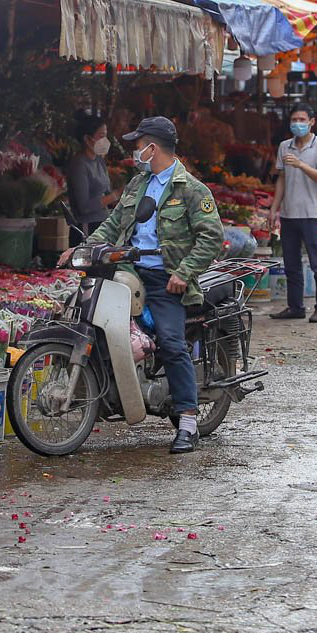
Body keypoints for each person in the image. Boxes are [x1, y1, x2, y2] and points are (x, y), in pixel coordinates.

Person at [76, 116, 223, 454]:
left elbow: (211, 237)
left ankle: (187, 422)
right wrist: (85, 249)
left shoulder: (192, 189)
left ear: (153, 147)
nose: (134, 151)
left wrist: (183, 273)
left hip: (165, 280)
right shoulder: (138, 183)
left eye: (138, 144)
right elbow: (113, 225)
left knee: (172, 342)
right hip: (128, 272)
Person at [269, 107, 317, 323]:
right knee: (291, 264)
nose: (297, 123)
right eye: (294, 119)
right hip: (289, 214)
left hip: (312, 214)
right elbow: (282, 179)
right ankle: (295, 306)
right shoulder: (284, 146)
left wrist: (301, 164)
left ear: (312, 121)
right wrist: (274, 208)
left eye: (302, 119)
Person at [65, 114, 120, 239]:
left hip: (103, 225)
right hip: (87, 228)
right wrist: (115, 195)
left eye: (106, 135)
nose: (105, 140)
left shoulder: (99, 160)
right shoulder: (79, 165)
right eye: (101, 136)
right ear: (87, 139)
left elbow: (107, 192)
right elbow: (84, 207)